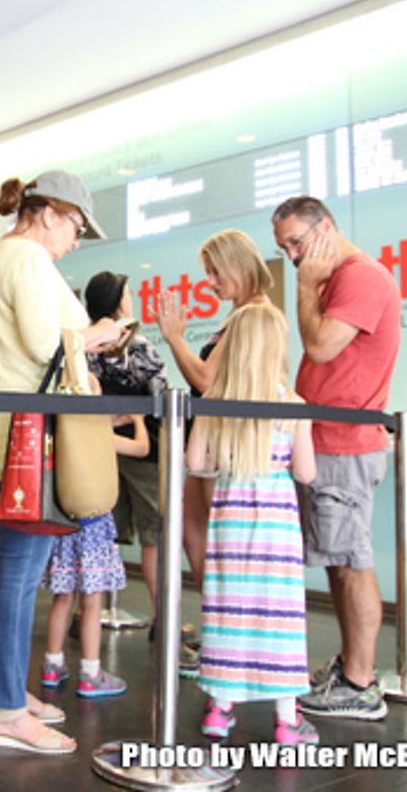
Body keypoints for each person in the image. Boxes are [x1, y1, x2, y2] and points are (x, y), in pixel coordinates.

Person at [0, 170, 122, 755]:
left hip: (15, 433)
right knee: (17, 577)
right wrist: (98, 333)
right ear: (51, 214)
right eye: (77, 227)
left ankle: (11, 691)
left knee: (20, 574)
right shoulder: (28, 258)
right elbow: (44, 345)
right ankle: (7, 709)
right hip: (28, 439)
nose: (77, 241)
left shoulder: (4, 256)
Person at [272, 195, 400, 720]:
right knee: (338, 560)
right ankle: (351, 667)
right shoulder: (334, 278)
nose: (293, 256)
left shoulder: (360, 277)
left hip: (346, 444)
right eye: (284, 249)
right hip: (326, 441)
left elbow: (321, 346)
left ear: (325, 227)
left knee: (351, 563)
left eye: (297, 242)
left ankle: (360, 683)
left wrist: (306, 288)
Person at [188, 301, 319, 745]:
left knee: (230, 610)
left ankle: (220, 709)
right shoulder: (293, 405)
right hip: (277, 527)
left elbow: (196, 462)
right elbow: (306, 473)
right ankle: (286, 719)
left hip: (230, 521)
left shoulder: (215, 402)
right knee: (278, 614)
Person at [154, 229, 276, 666]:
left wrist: (175, 338)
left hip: (228, 447)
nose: (210, 281)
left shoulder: (253, 315)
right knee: (194, 534)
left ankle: (230, 635)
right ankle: (222, 629)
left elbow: (207, 381)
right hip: (214, 445)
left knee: (216, 544)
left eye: (214, 271)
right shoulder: (241, 315)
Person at [82, 272, 171, 638]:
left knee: (99, 531)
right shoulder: (138, 345)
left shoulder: (86, 346)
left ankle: (87, 614)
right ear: (120, 301)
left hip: (98, 446)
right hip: (143, 447)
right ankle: (162, 618)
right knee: (154, 535)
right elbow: (161, 391)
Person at [40, 415, 149, 698]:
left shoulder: (62, 434)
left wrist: (107, 421)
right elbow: (142, 448)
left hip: (64, 526)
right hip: (94, 528)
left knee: (62, 599)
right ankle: (90, 672)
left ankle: (52, 665)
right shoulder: (102, 437)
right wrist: (137, 421)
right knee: (91, 603)